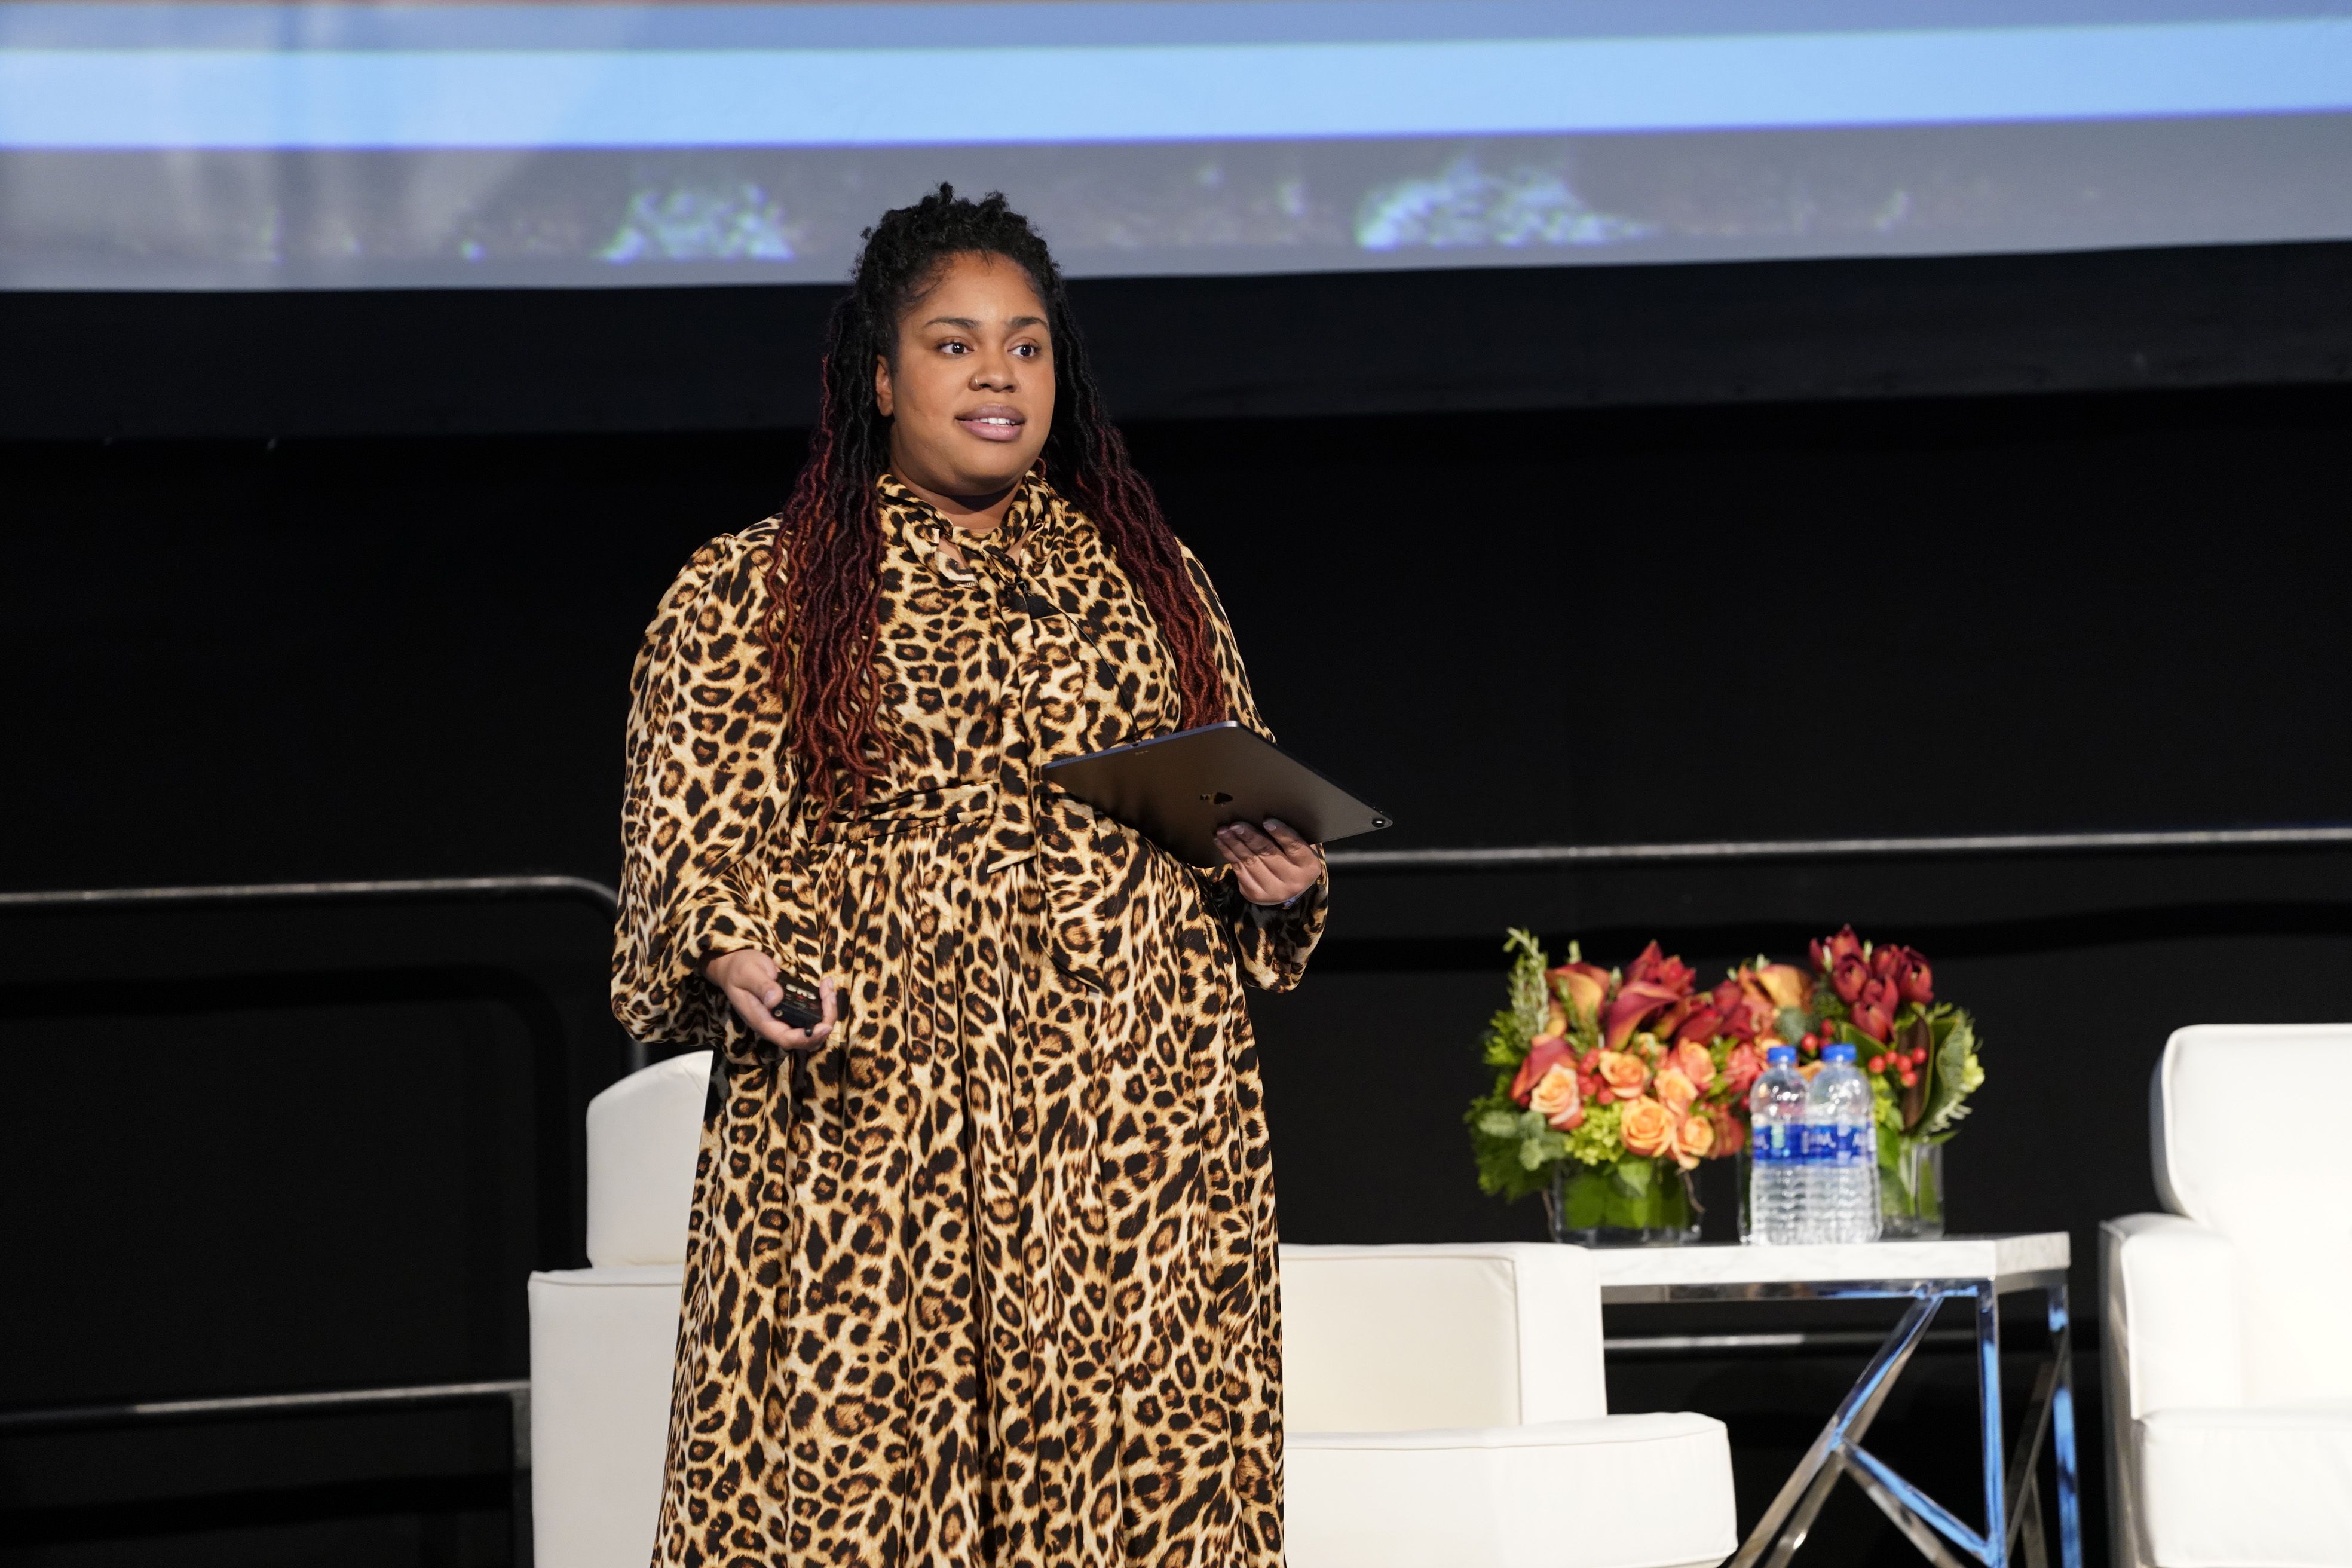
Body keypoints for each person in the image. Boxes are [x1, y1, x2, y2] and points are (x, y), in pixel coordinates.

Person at [610, 185, 1328, 1568]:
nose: (998, 372)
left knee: (1151, 1485)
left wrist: (1280, 881)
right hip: (880, 1122)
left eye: (1027, 343)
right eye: (953, 343)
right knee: (851, 1495)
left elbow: (1238, 794)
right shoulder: (755, 588)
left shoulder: (1149, 578)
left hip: (1134, 1136)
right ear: (879, 377)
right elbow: (690, 845)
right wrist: (738, 956)